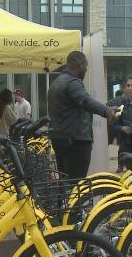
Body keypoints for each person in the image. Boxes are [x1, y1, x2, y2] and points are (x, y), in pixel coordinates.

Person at [48, 51, 118, 179]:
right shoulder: (72, 82)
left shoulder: (55, 82)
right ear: (79, 64)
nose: (86, 70)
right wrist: (106, 111)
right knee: (76, 187)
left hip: (60, 140)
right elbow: (86, 100)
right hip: (76, 143)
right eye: (86, 66)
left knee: (65, 185)